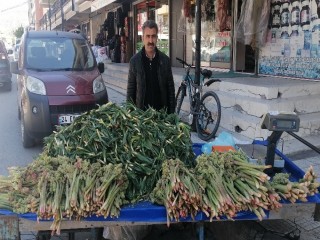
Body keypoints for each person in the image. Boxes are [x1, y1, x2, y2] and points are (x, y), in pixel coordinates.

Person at [126, 20, 175, 114]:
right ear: (142, 37)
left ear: (157, 37)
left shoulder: (165, 61)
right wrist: (130, 115)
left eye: (153, 36)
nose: (150, 41)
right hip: (142, 117)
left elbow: (170, 90)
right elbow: (131, 91)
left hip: (161, 115)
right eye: (148, 36)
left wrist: (172, 115)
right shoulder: (134, 61)